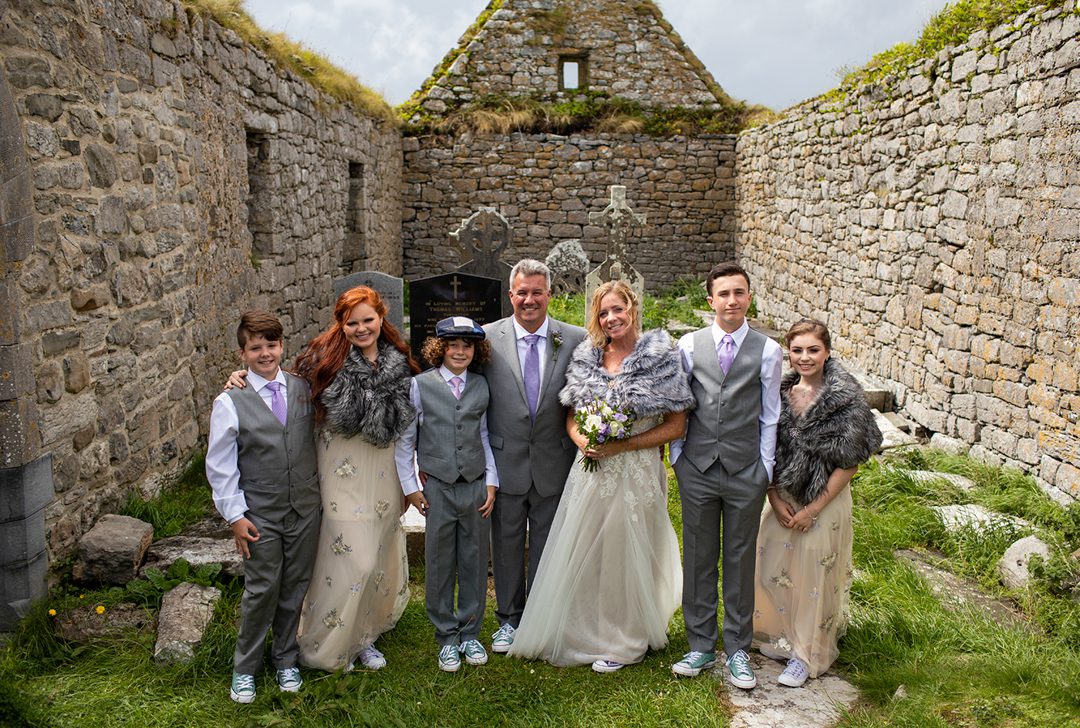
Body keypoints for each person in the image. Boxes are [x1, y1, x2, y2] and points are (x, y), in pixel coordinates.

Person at [225, 286, 419, 673]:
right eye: (352, 322)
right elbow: (280, 384)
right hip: (339, 471)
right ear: (340, 324)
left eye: (368, 320)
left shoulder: (399, 362)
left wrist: (409, 482)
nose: (361, 329)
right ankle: (327, 640)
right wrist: (242, 376)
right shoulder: (323, 360)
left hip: (383, 471)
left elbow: (409, 424)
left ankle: (363, 635)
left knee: (377, 556)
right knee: (351, 558)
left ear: (381, 318)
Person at [508, 280, 694, 673]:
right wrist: (583, 441)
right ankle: (586, 628)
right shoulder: (587, 357)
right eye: (603, 313)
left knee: (627, 551)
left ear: (632, 308)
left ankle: (624, 637)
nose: (611, 318)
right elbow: (571, 416)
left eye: (617, 309)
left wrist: (624, 445)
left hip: (637, 470)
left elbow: (676, 425)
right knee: (590, 549)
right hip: (591, 469)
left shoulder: (661, 356)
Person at [669, 261, 783, 689]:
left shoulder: (767, 350)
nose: (731, 301)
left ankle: (737, 648)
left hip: (745, 470)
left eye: (739, 292)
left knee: (740, 558)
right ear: (710, 300)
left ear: (749, 297)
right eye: (724, 294)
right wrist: (678, 458)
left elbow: (770, 415)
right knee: (698, 556)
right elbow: (679, 404)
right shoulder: (688, 345)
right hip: (697, 467)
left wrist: (764, 468)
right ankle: (700, 643)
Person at [753, 319, 881, 687]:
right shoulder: (778, 393)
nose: (805, 357)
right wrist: (773, 495)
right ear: (788, 353)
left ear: (827, 352)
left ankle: (806, 653)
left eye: (813, 350)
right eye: (797, 350)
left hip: (824, 499)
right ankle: (778, 635)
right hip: (783, 495)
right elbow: (765, 448)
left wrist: (813, 509)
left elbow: (851, 462)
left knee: (814, 572)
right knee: (771, 564)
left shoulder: (845, 399)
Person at [206, 310, 321, 703]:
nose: (265, 353)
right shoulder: (230, 400)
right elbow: (220, 464)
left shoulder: (302, 388)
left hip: (305, 508)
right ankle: (245, 668)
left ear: (282, 346)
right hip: (260, 514)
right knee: (261, 589)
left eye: (271, 345)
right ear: (243, 354)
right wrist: (235, 516)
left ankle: (285, 657)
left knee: (295, 585)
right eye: (255, 348)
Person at [482, 260, 586, 653]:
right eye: (522, 292)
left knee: (548, 543)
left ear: (549, 295)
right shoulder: (487, 338)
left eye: (537, 292)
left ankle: (542, 618)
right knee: (505, 544)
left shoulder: (574, 339)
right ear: (511, 295)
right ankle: (508, 619)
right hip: (505, 460)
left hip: (553, 460)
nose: (529, 300)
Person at [394, 316, 499, 672]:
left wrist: (491, 481)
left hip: (474, 484)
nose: (459, 351)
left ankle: (470, 632)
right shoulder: (420, 385)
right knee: (440, 561)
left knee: (474, 558)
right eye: (452, 345)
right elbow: (406, 439)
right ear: (440, 348)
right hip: (437, 486)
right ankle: (447, 636)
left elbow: (483, 435)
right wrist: (411, 488)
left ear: (475, 351)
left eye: (467, 346)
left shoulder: (481, 386)